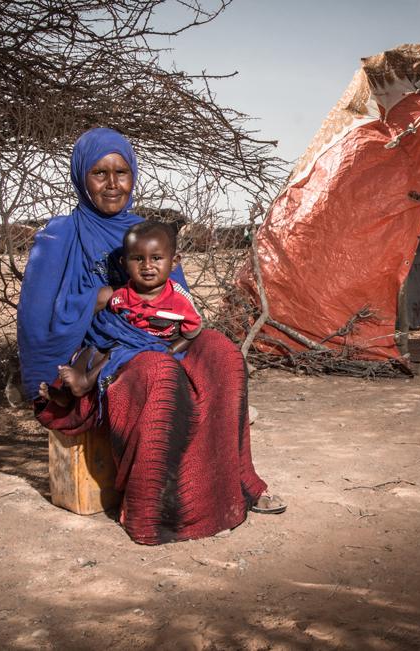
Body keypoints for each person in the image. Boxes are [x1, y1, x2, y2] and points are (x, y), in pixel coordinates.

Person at [17, 127, 285, 545]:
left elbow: (177, 303)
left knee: (221, 354)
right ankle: (155, 511)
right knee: (160, 373)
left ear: (134, 174)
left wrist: (183, 333)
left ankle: (236, 484)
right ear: (80, 178)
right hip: (105, 350)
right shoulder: (59, 237)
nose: (112, 184)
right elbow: (37, 322)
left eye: (121, 172)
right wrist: (94, 299)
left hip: (160, 341)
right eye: (99, 174)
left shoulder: (149, 234)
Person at [38, 220, 201, 407]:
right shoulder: (122, 295)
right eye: (138, 259)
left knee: (119, 353)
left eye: (156, 258)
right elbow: (113, 322)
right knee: (92, 347)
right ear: (124, 263)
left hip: (151, 346)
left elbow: (193, 331)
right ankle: (66, 395)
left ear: (173, 262)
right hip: (120, 340)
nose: (147, 265)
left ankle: (85, 383)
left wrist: (171, 350)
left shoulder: (179, 299)